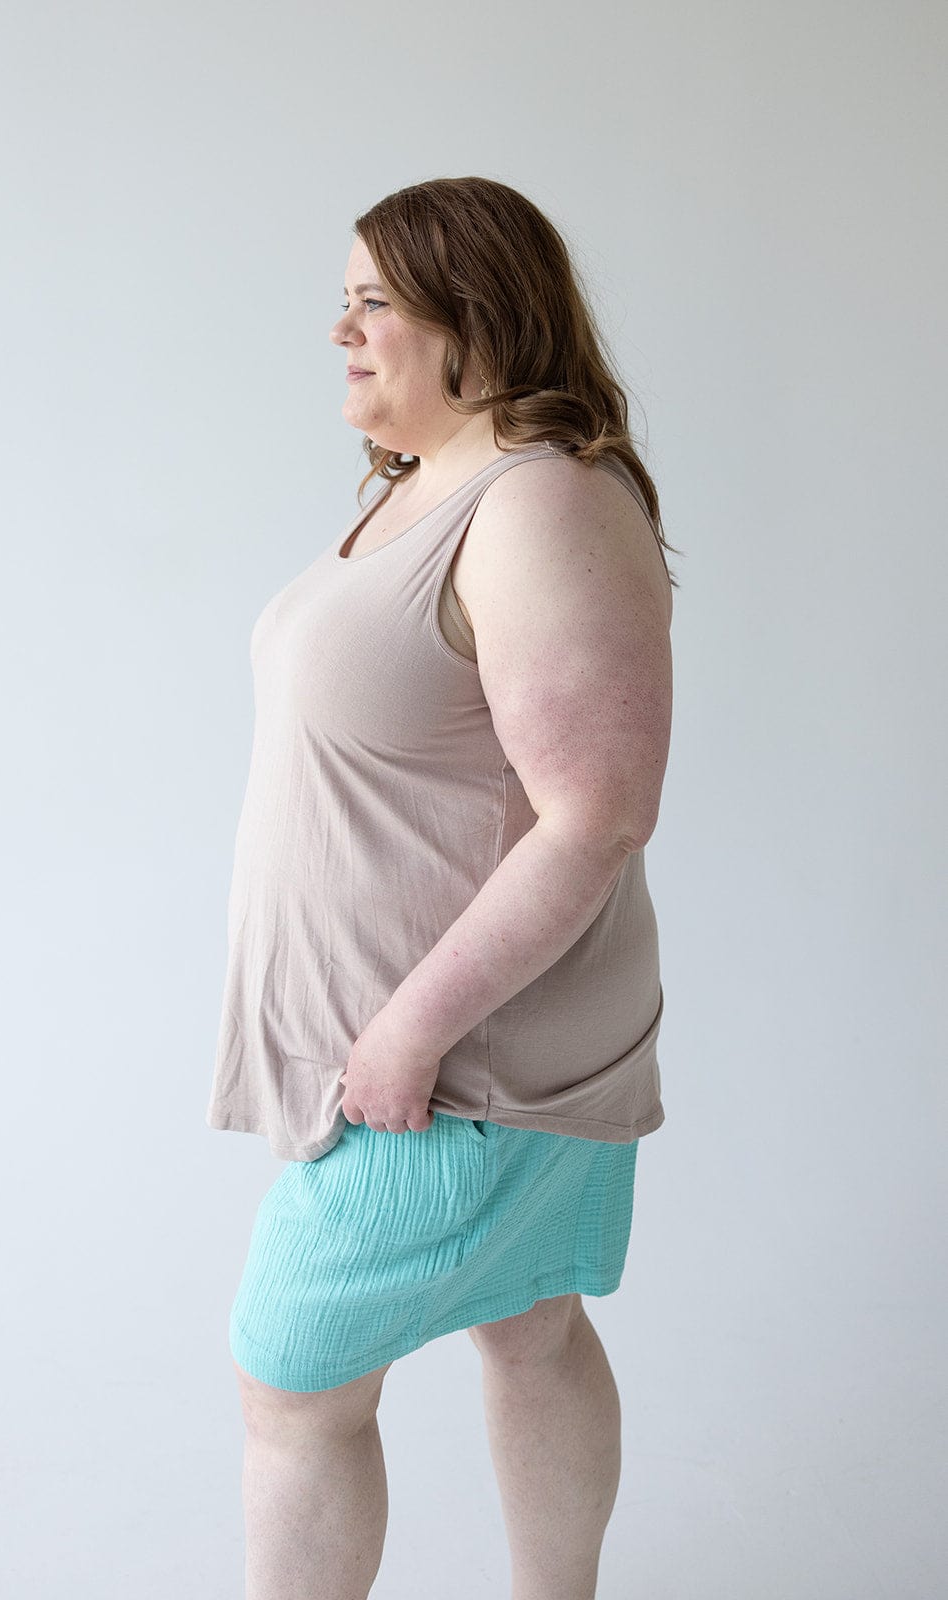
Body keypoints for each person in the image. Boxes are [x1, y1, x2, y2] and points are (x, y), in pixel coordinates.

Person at [206, 175, 681, 1600]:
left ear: (473, 313)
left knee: (293, 1395)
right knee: (531, 1327)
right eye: (341, 300)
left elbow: (595, 814)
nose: (340, 329)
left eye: (372, 301)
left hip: (456, 1076)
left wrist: (407, 1034)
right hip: (435, 1066)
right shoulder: (441, 488)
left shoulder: (539, 501)